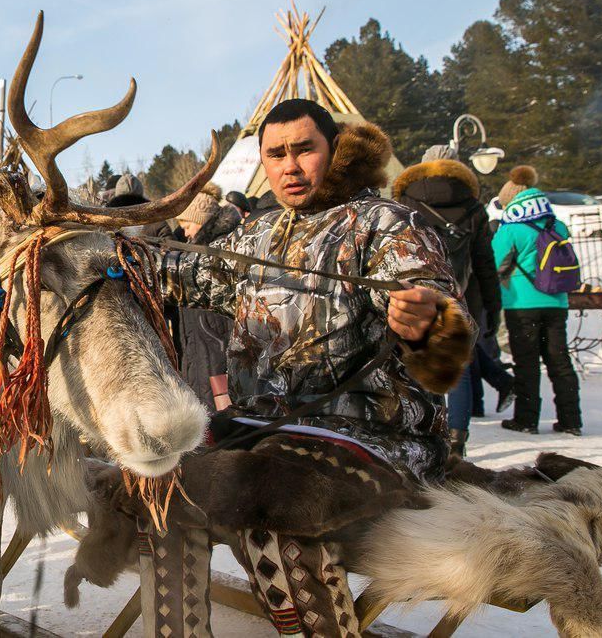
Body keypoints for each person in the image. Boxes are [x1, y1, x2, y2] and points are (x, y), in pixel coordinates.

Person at [161, 100, 472, 636]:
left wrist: (427, 319)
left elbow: (445, 319)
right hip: (266, 430)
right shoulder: (259, 233)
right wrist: (105, 252)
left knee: (266, 507)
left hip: (376, 438)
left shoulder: (387, 223)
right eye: (276, 154)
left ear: (335, 149)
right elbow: (187, 273)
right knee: (155, 484)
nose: (290, 165)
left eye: (305, 149)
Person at [394, 144, 510, 458]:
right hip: (462, 297)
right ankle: (457, 439)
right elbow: (485, 265)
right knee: (455, 368)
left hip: (415, 296)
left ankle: (427, 434)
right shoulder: (473, 207)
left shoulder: (403, 203)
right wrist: (492, 309)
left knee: (418, 366)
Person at [492, 165, 582, 436]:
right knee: (560, 362)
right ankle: (571, 420)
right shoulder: (557, 224)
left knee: (527, 363)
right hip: (557, 302)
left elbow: (494, 262)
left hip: (522, 305)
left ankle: (527, 420)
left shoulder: (512, 228)